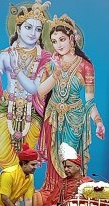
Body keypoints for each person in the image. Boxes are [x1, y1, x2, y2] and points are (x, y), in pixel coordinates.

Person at [0, 0, 52, 170]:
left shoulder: (45, 58)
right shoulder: (6, 54)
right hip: (7, 106)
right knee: (0, 153)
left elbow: (33, 88)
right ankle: (11, 181)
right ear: (18, 29)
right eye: (28, 27)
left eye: (38, 29)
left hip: (32, 111)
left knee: (28, 157)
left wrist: (16, 68)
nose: (33, 33)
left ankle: (21, 183)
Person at [36, 14, 105, 192]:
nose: (58, 45)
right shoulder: (51, 64)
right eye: (54, 41)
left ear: (72, 39)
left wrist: (98, 122)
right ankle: (52, 194)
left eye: (62, 39)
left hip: (74, 120)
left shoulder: (86, 66)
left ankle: (69, 194)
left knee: (69, 160)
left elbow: (89, 101)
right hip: (53, 118)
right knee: (54, 161)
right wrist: (56, 73)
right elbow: (41, 91)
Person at [34, 142, 93, 206]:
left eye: (69, 167)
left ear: (78, 167)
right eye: (64, 167)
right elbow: (51, 204)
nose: (66, 169)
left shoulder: (87, 182)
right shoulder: (61, 183)